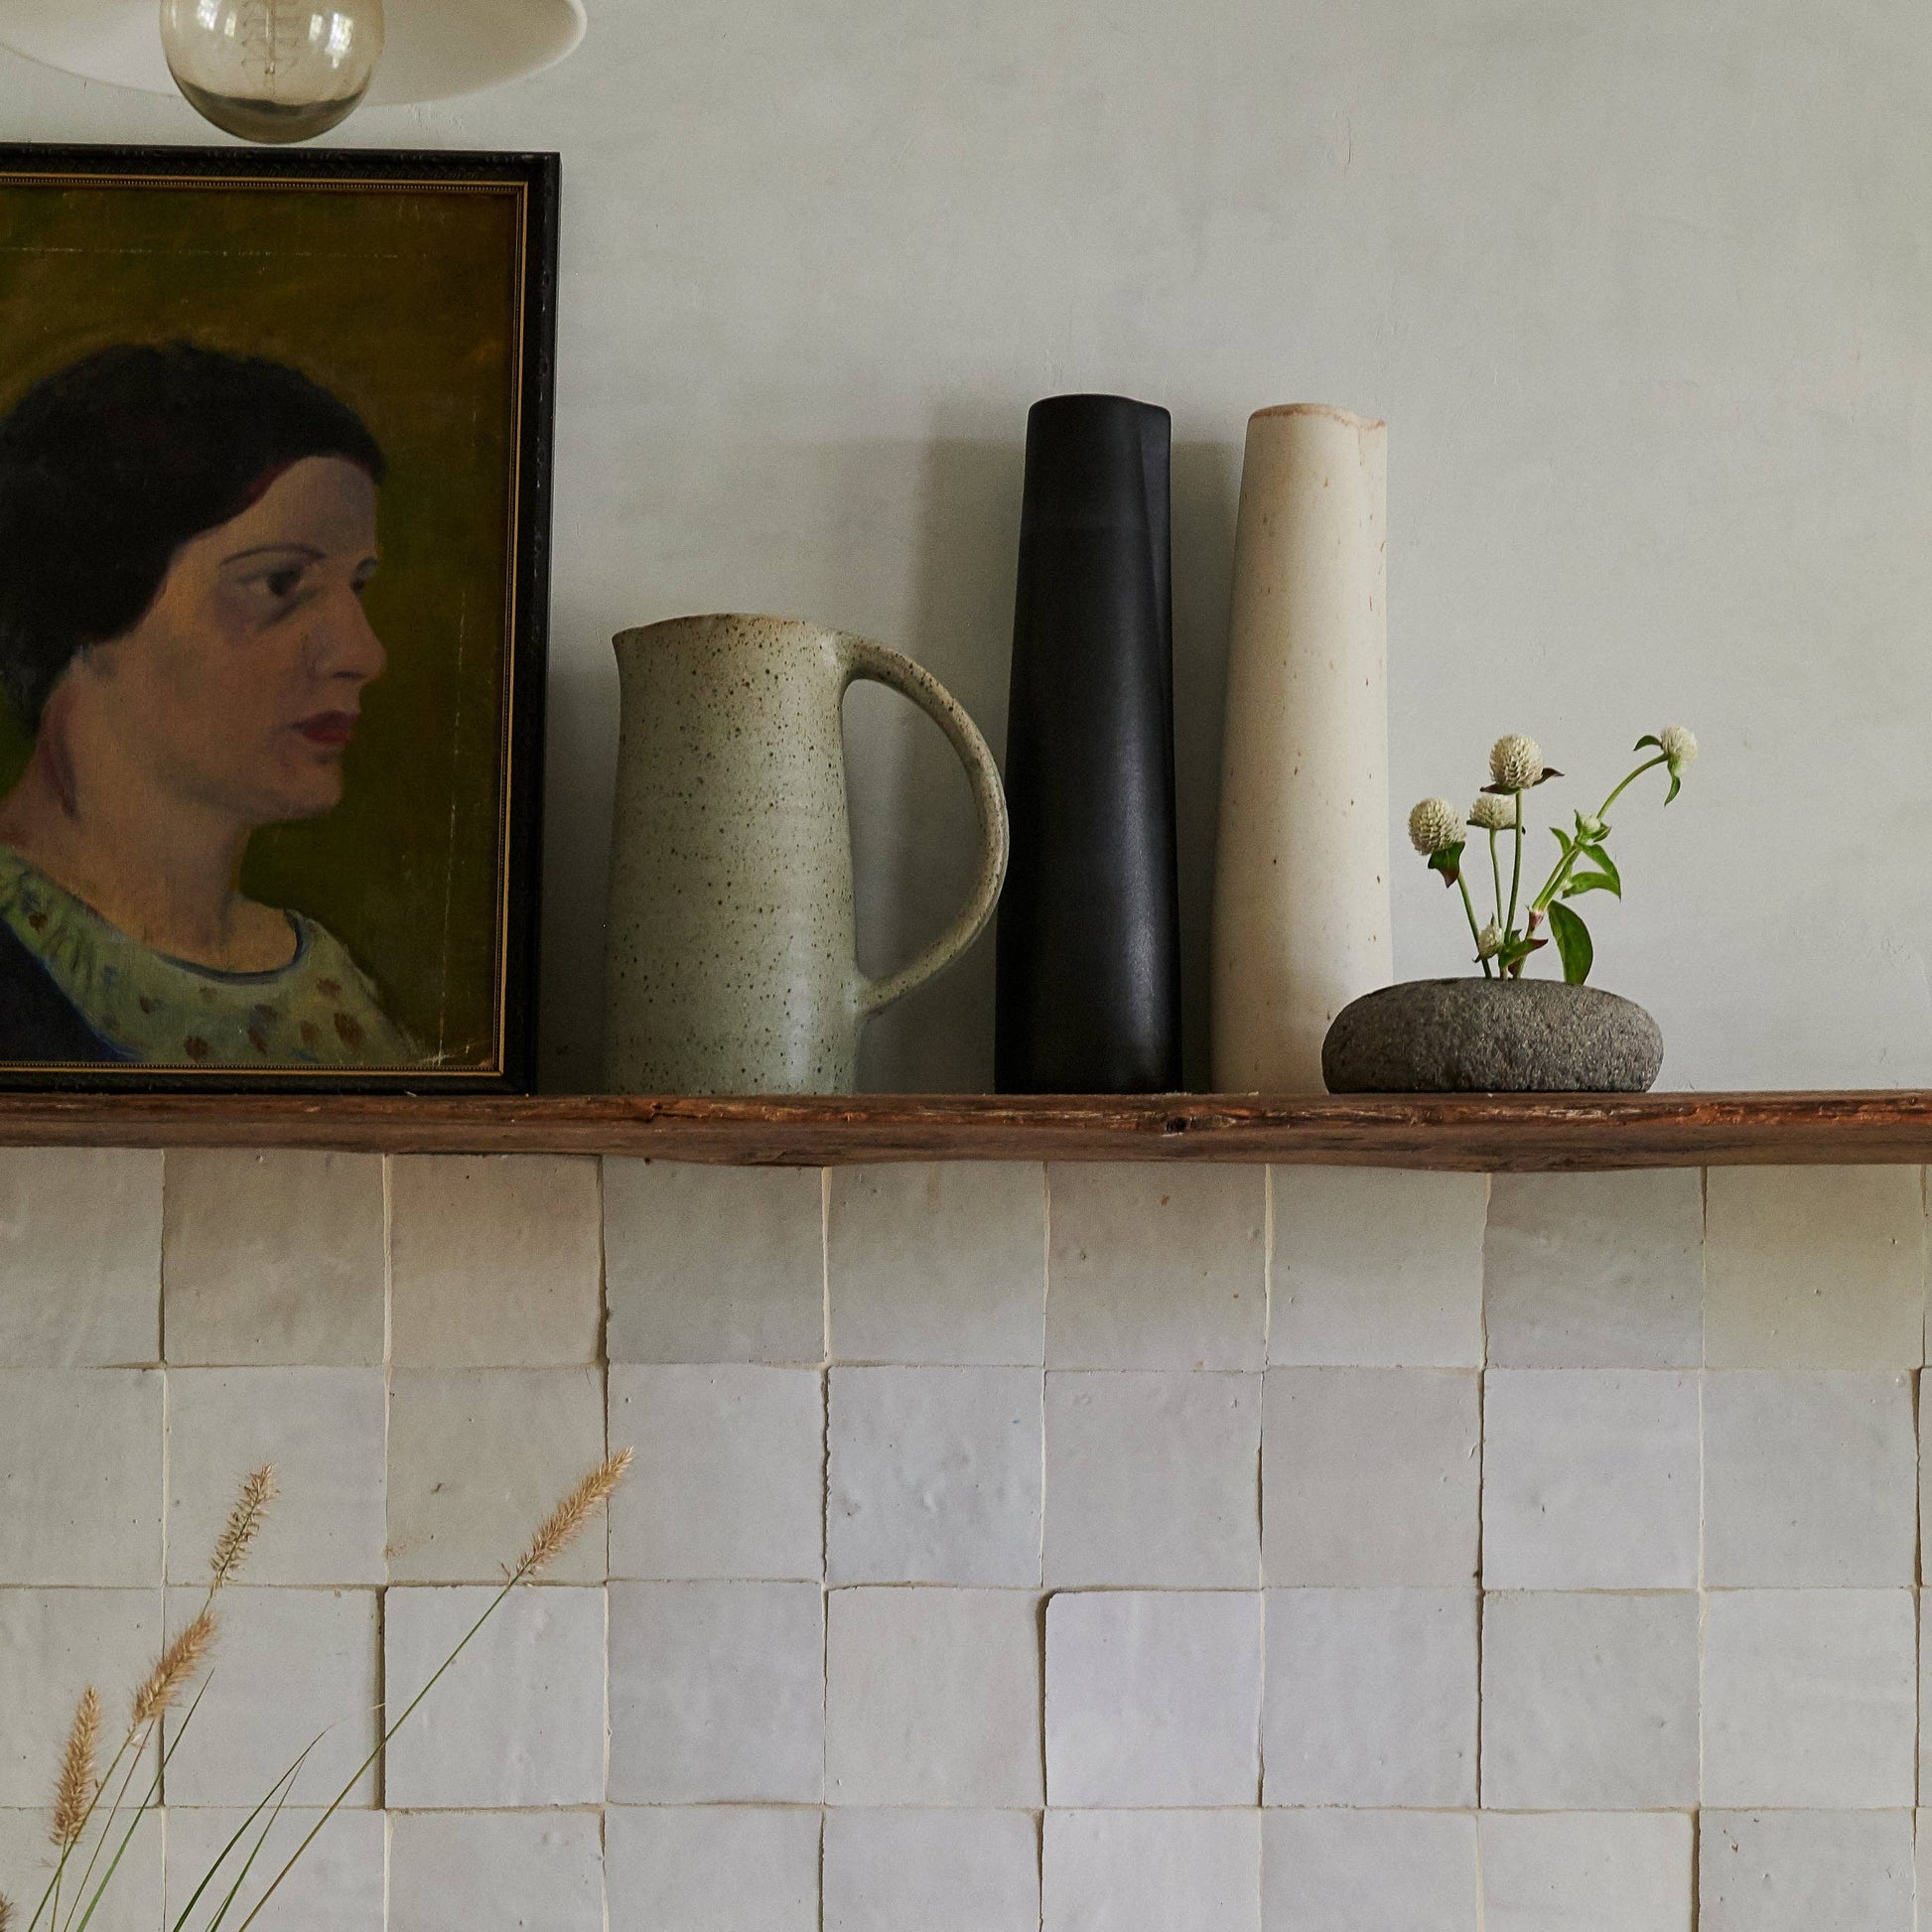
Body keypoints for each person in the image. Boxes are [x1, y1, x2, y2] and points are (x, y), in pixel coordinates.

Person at [0, 342, 419, 1064]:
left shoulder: (329, 994)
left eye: (358, 587)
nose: (362, 654)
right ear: (87, 598)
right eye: (280, 583)